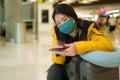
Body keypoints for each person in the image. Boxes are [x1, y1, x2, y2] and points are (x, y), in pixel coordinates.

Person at [47, 4, 113, 80]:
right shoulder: (57, 32)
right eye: (58, 23)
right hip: (67, 69)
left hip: (86, 67)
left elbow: (107, 45)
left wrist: (77, 48)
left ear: (73, 17)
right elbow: (57, 62)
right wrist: (59, 53)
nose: (62, 24)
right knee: (54, 70)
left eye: (64, 20)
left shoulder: (88, 28)